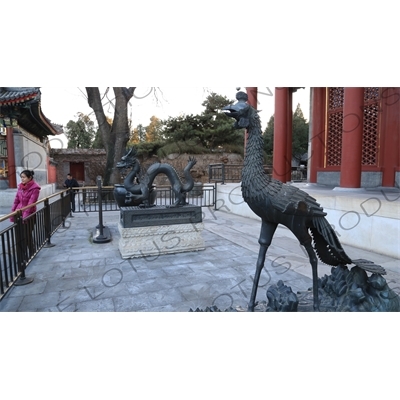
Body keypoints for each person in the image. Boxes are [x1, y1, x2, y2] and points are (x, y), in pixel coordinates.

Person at [10, 169, 41, 257]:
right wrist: (13, 213)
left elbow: (31, 203)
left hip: (29, 215)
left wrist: (25, 217)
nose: (22, 179)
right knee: (19, 235)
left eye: (24, 177)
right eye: (21, 177)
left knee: (27, 235)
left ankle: (32, 251)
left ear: (30, 178)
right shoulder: (20, 187)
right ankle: (22, 254)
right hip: (19, 213)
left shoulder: (35, 188)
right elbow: (16, 201)